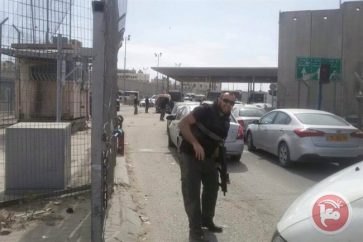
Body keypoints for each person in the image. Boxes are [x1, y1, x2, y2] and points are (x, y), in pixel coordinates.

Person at [178, 92, 235, 242]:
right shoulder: (205, 110)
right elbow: (182, 124)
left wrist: (220, 166)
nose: (228, 104)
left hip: (209, 159)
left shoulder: (226, 120)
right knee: (192, 193)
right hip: (190, 155)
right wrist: (195, 143)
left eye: (231, 103)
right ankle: (195, 231)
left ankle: (206, 220)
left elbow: (218, 142)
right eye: (225, 100)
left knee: (212, 189)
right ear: (219, 99)